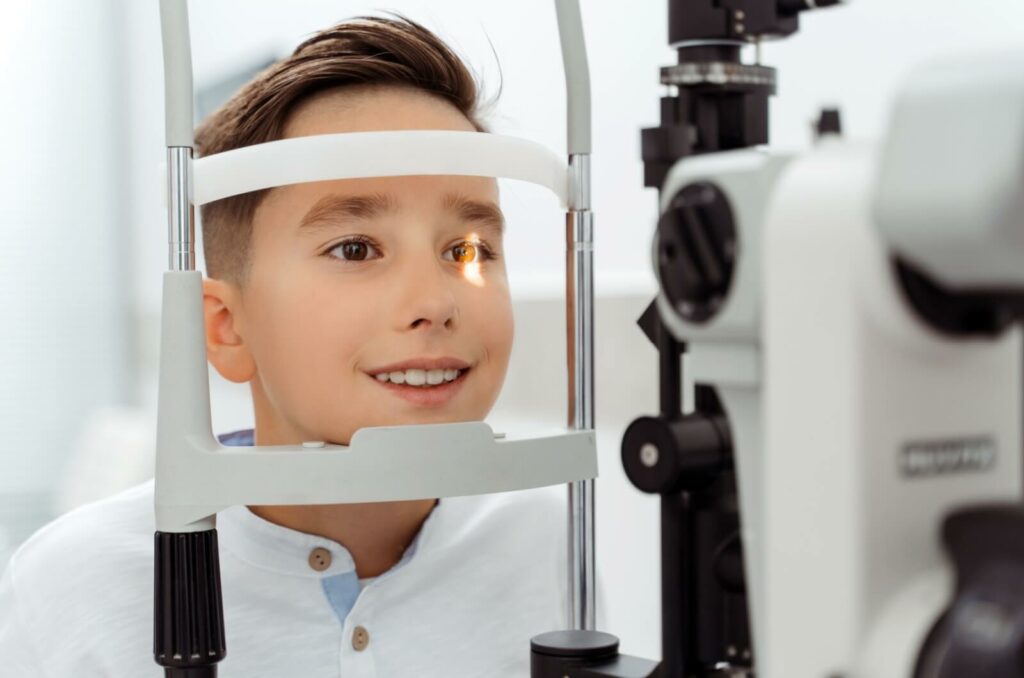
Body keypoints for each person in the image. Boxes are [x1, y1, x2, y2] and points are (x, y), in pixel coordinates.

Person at [0, 15, 571, 676]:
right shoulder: (76, 588)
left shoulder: (541, 536)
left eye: (466, 250)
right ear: (226, 328)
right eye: (356, 248)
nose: (436, 303)